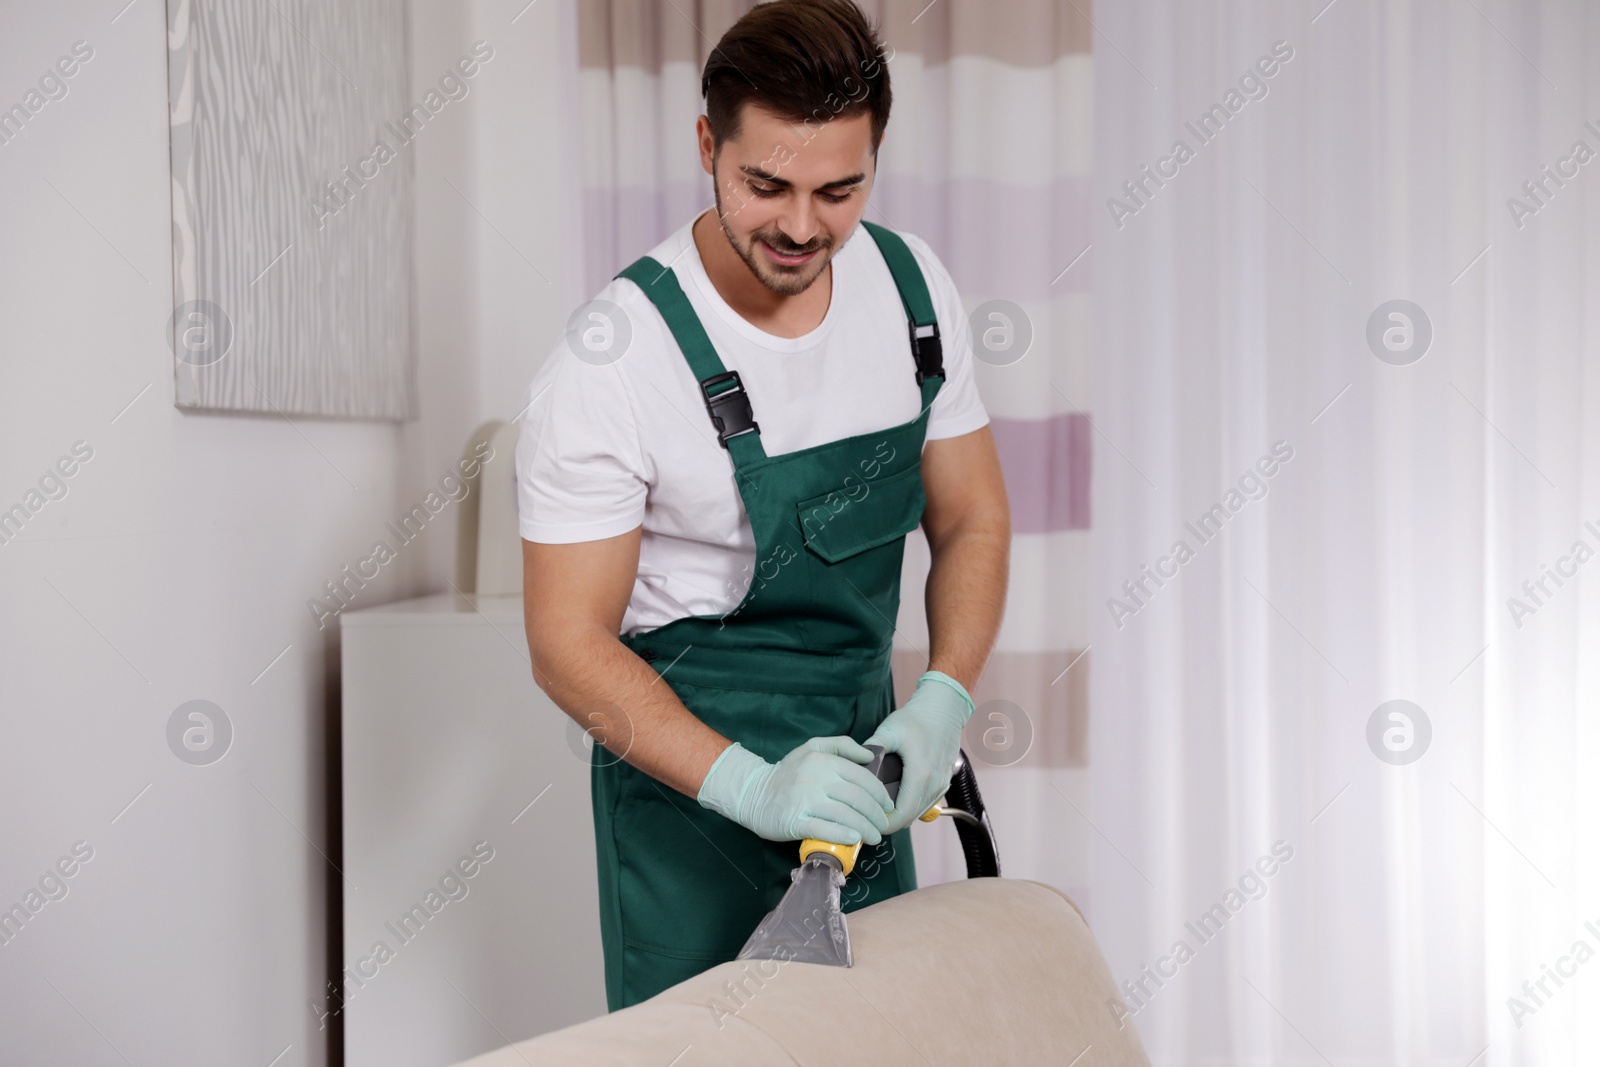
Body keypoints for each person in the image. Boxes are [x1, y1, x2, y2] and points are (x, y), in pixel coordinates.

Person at [515, 0, 1010, 1011]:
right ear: (708, 144)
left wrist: (941, 700)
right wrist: (751, 784)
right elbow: (565, 638)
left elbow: (971, 520)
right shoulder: (614, 359)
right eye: (764, 184)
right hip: (691, 798)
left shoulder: (914, 295)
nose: (799, 226)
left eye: (840, 189)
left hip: (863, 778)